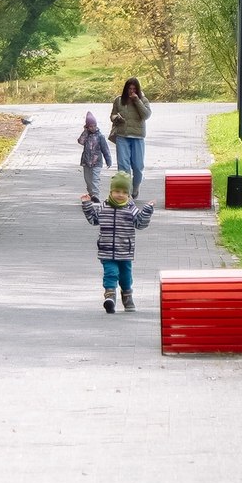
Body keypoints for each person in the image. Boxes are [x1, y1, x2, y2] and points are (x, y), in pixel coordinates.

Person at [82, 171, 154, 314]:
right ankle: (110, 297)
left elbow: (140, 224)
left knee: (126, 276)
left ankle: (127, 297)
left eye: (124, 192)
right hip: (106, 250)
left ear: (129, 195)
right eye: (116, 191)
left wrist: (147, 211)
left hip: (125, 250)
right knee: (111, 272)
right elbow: (94, 220)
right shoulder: (104, 206)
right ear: (111, 191)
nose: (120, 195)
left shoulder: (131, 208)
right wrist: (87, 205)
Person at [109, 77, 152, 197]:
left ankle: (136, 186)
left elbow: (146, 115)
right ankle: (125, 191)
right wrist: (115, 118)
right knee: (123, 166)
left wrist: (137, 101)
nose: (131, 91)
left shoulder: (143, 100)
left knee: (138, 166)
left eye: (134, 89)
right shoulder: (119, 100)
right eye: (129, 88)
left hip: (137, 137)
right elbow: (112, 114)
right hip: (122, 135)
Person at [76, 111, 113, 202]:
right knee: (88, 180)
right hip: (86, 161)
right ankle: (91, 193)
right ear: (87, 126)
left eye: (94, 125)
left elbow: (105, 149)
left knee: (95, 179)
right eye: (90, 126)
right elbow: (80, 141)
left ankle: (96, 195)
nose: (93, 128)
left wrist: (108, 160)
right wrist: (85, 131)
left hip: (97, 162)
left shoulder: (100, 136)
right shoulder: (86, 135)